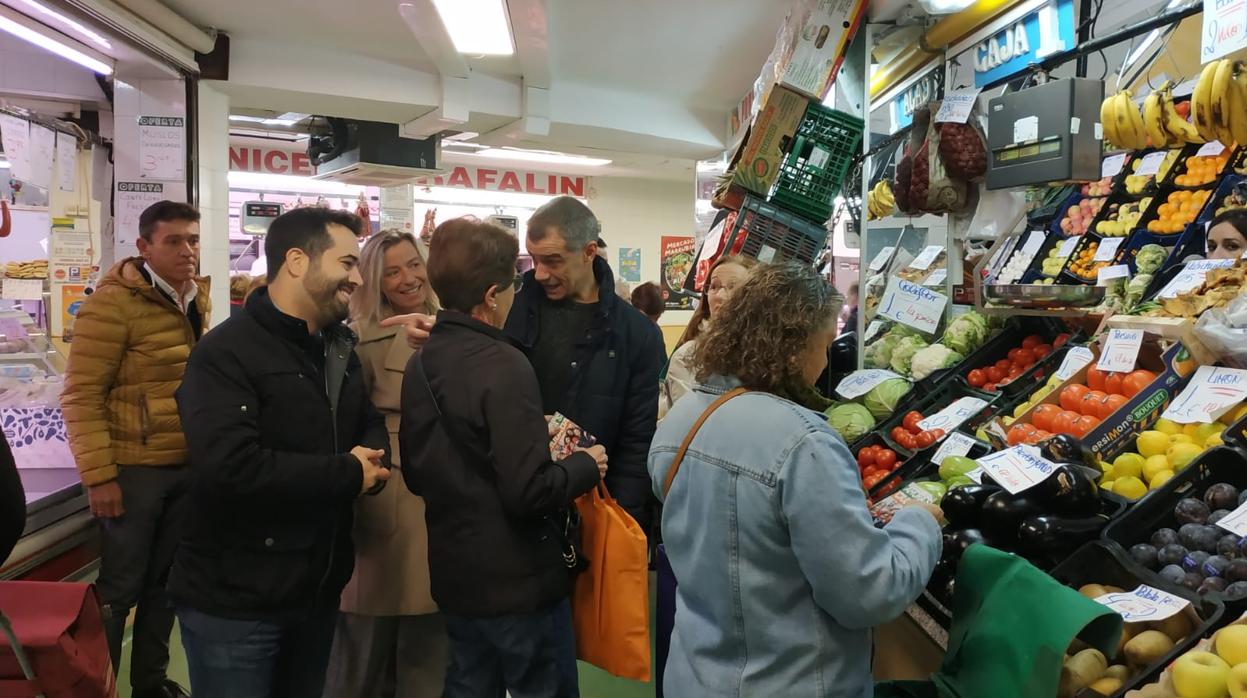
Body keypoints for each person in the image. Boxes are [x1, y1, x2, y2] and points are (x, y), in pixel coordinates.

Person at [649, 262, 941, 697]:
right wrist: (919, 523)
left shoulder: (680, 422)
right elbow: (868, 592)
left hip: (693, 676)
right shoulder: (803, 443)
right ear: (793, 347)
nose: (824, 361)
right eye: (823, 345)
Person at [169, 207, 392, 698]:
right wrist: (347, 473)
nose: (357, 278)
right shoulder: (225, 354)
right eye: (348, 263)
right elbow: (230, 467)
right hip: (236, 603)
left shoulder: (337, 348)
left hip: (314, 593)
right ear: (296, 261)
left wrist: (375, 457)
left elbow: (365, 420)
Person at [400, 217, 606, 698]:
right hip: (519, 581)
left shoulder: (421, 362)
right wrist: (583, 465)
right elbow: (527, 490)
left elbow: (415, 473)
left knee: (469, 684)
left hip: (455, 574)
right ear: (492, 296)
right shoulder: (505, 364)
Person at [60, 200, 208, 698]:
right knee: (118, 592)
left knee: (166, 585)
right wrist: (99, 477)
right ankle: (99, 688)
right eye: (174, 241)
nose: (187, 250)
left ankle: (150, 682)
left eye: (193, 239)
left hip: (183, 466)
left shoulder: (191, 297)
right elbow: (80, 393)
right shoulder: (112, 304)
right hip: (132, 471)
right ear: (144, 247)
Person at [323, 230, 446, 698]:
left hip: (435, 494)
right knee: (364, 639)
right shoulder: (355, 341)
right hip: (381, 494)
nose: (408, 278)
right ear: (374, 279)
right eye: (392, 270)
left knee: (429, 639)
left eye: (414, 264)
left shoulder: (449, 325)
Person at [505, 196, 665, 532]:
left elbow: (637, 440)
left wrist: (624, 520)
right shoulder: (511, 312)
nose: (541, 274)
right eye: (534, 260)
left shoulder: (637, 335)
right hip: (518, 503)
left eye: (553, 261)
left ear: (589, 252)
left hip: (597, 508)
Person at [661, 255, 756, 418]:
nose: (720, 295)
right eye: (714, 286)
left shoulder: (765, 353)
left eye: (733, 287)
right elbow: (691, 422)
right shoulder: (688, 356)